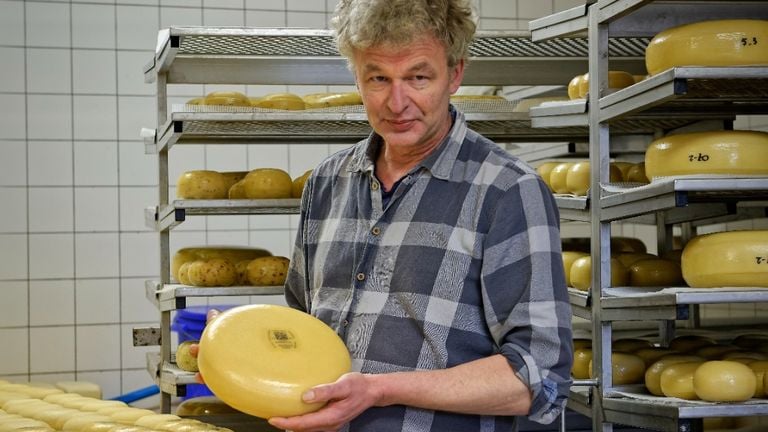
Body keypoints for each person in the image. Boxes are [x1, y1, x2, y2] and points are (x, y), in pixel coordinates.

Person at [196, 1, 572, 431]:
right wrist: (238, 349)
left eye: (418, 78)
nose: (397, 102)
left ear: (455, 74)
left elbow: (537, 377)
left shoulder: (508, 191)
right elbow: (305, 333)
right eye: (378, 78)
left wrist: (380, 389)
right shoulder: (328, 182)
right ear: (356, 77)